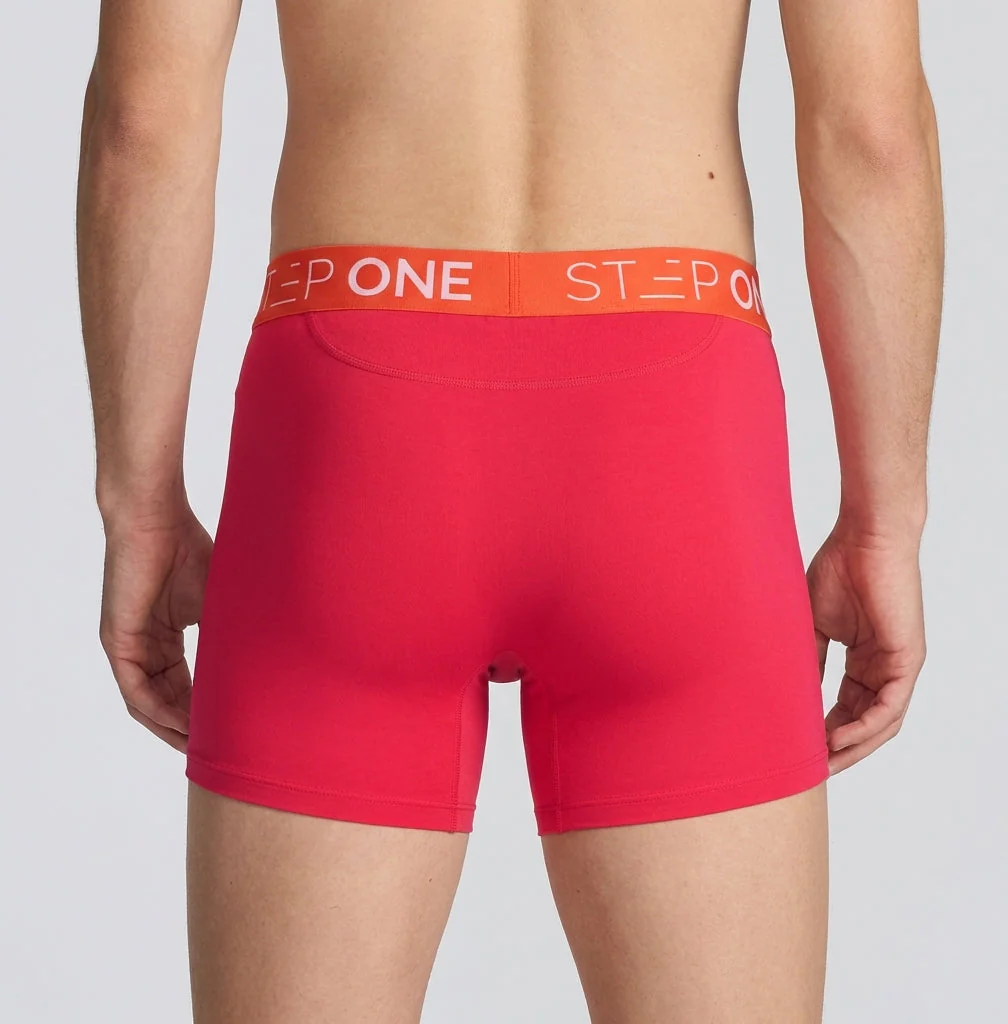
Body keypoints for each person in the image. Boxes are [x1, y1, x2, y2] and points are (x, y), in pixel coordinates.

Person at [76, 1, 943, 1020]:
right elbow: (870, 131)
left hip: (354, 437)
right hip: (670, 435)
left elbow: (145, 118)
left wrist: (139, 505)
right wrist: (883, 520)